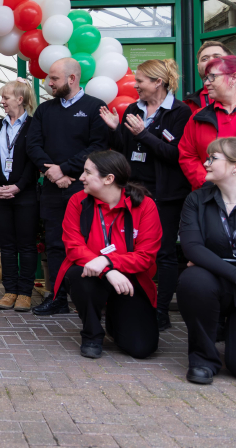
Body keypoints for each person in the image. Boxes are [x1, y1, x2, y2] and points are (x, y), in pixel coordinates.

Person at [99, 59, 191, 331]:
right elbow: (124, 152)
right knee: (129, 249)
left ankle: (160, 310)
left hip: (165, 196)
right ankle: (132, 304)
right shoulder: (131, 109)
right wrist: (116, 130)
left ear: (158, 82)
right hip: (134, 194)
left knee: (162, 254)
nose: (135, 85)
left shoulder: (179, 112)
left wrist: (145, 134)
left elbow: (176, 156)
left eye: (140, 81)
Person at [176, 137, 236, 384]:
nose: (205, 163)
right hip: (217, 285)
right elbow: (192, 249)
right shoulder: (195, 200)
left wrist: (211, 262)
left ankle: (234, 332)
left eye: (212, 158)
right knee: (193, 279)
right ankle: (203, 359)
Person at [55, 151, 162, 359]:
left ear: (109, 179)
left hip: (130, 280)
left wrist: (108, 260)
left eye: (87, 172)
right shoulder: (77, 202)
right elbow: (73, 247)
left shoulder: (145, 206)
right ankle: (92, 334)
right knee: (79, 275)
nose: (81, 177)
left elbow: (146, 257)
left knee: (142, 349)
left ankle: (115, 319)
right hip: (92, 275)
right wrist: (108, 270)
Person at [27, 58, 108, 316]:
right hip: (52, 189)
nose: (49, 83)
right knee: (54, 243)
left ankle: (91, 298)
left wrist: (66, 169)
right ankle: (58, 297)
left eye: (54, 79)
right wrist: (52, 172)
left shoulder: (96, 107)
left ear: (72, 79)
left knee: (87, 241)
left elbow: (98, 146)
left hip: (84, 189)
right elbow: (33, 145)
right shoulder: (45, 110)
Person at [178, 55, 236, 194]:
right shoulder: (198, 117)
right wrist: (208, 184)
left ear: (234, 77)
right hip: (210, 199)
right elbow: (187, 156)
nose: (206, 83)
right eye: (206, 78)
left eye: (212, 77)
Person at [0, 79, 39, 312]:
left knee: (26, 246)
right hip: (0, 194)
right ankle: (10, 290)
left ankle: (25, 293)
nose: (2, 102)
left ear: (20, 99)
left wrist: (18, 186)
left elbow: (33, 161)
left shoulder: (34, 125)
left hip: (24, 194)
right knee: (7, 246)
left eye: (5, 98)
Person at [185, 41, 233, 114]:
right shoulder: (187, 105)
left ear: (231, 62)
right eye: (204, 59)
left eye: (217, 57)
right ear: (198, 67)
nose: (211, 61)